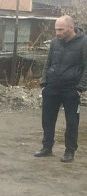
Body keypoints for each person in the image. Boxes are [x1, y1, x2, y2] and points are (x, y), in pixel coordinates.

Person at [35, 15, 87, 163]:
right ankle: (47, 147)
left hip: (72, 89)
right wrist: (44, 83)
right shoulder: (54, 43)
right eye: (56, 29)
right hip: (52, 87)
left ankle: (69, 151)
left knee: (72, 122)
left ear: (71, 28)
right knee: (47, 120)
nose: (57, 33)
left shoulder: (84, 43)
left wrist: (80, 88)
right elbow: (48, 63)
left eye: (61, 29)